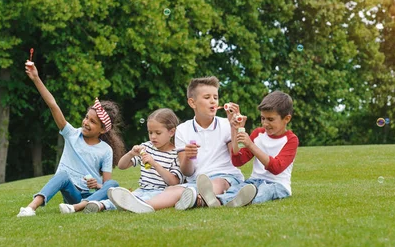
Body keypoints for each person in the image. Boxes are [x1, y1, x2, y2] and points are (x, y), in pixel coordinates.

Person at [108, 76, 245, 213]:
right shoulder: (183, 130)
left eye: (215, 97)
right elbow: (187, 171)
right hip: (195, 182)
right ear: (192, 103)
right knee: (173, 190)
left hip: (226, 177)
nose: (213, 101)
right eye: (207, 97)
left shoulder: (226, 124)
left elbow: (236, 157)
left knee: (216, 183)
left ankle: (201, 198)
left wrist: (234, 128)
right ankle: (143, 205)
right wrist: (189, 157)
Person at [17, 59, 125, 217]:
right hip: (73, 196)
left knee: (113, 184)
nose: (86, 122)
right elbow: (53, 105)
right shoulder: (72, 134)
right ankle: (30, 208)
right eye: (86, 117)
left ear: (102, 129)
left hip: (90, 197)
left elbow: (105, 186)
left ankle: (82, 207)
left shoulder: (105, 150)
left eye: (92, 122)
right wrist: (36, 78)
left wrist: (97, 184)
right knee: (62, 175)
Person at [184, 91, 298, 208]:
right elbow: (238, 161)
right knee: (237, 188)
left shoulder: (291, 140)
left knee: (264, 191)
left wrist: (251, 145)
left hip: (277, 184)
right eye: (262, 118)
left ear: (287, 119)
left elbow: (276, 168)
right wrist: (234, 129)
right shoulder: (258, 134)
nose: (265, 123)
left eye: (270, 119)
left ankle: (227, 201)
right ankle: (211, 201)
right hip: (254, 181)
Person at [80, 108, 183, 213]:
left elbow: (174, 182)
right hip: (142, 189)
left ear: (171, 132)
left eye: (158, 133)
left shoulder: (177, 153)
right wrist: (131, 154)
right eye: (150, 132)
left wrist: (154, 164)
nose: (153, 137)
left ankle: (122, 205)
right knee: (129, 197)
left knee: (137, 200)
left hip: (161, 193)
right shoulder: (146, 148)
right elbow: (121, 166)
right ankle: (101, 205)